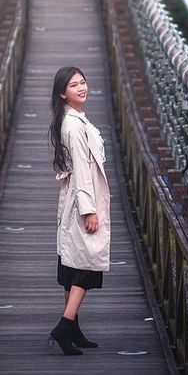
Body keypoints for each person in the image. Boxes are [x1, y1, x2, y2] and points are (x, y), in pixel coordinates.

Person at [48, 65, 110, 356]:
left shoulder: (73, 119)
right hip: (83, 199)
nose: (81, 88)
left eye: (83, 82)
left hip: (77, 196)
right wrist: (89, 210)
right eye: (74, 85)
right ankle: (64, 325)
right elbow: (83, 170)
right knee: (85, 265)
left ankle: (72, 329)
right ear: (63, 94)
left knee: (74, 263)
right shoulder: (72, 126)